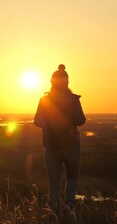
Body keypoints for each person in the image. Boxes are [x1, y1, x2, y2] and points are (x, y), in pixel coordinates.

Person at [34, 64, 86, 212]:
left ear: (52, 82)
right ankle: (69, 209)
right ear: (67, 82)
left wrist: (50, 121)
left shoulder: (44, 100)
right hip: (71, 145)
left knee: (54, 182)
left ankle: (54, 211)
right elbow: (81, 120)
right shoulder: (73, 100)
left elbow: (37, 121)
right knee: (72, 178)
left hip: (51, 145)